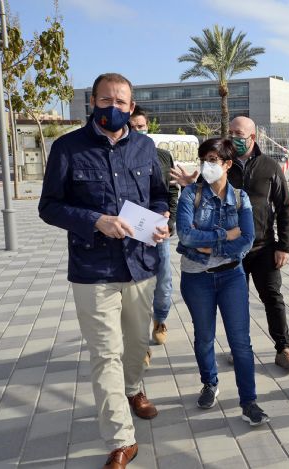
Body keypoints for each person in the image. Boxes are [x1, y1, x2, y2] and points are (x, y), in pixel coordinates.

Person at [39, 73, 169, 468]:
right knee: (105, 353)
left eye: (122, 102)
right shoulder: (67, 148)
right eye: (106, 99)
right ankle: (121, 439)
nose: (114, 107)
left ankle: (133, 389)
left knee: (136, 345)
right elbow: (49, 206)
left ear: (132, 107)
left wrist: (164, 217)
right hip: (92, 270)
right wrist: (95, 219)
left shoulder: (146, 147)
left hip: (141, 265)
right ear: (92, 102)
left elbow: (161, 194)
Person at [172, 116, 289, 370]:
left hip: (263, 247)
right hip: (229, 251)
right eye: (230, 132)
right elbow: (203, 194)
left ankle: (283, 348)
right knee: (236, 304)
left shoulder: (270, 167)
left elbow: (284, 208)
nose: (233, 137)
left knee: (272, 297)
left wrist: (283, 246)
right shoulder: (221, 165)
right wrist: (191, 185)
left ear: (253, 137)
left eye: (238, 133)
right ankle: (239, 347)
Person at [177, 138, 270, 426]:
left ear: (228, 164)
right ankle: (209, 383)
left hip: (232, 276)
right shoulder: (189, 194)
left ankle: (249, 401)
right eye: (204, 159)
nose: (207, 165)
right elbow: (185, 235)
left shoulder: (240, 198)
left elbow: (246, 240)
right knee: (204, 337)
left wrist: (207, 245)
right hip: (196, 278)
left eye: (214, 160)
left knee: (240, 342)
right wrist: (223, 236)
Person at [129, 106, 179, 359]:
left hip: (157, 227)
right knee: (136, 288)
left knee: (163, 281)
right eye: (132, 126)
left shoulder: (162, 155)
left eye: (141, 126)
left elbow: (171, 190)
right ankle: (139, 344)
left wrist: (169, 216)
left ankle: (160, 320)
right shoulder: (119, 156)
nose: (137, 131)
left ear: (148, 126)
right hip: (130, 229)